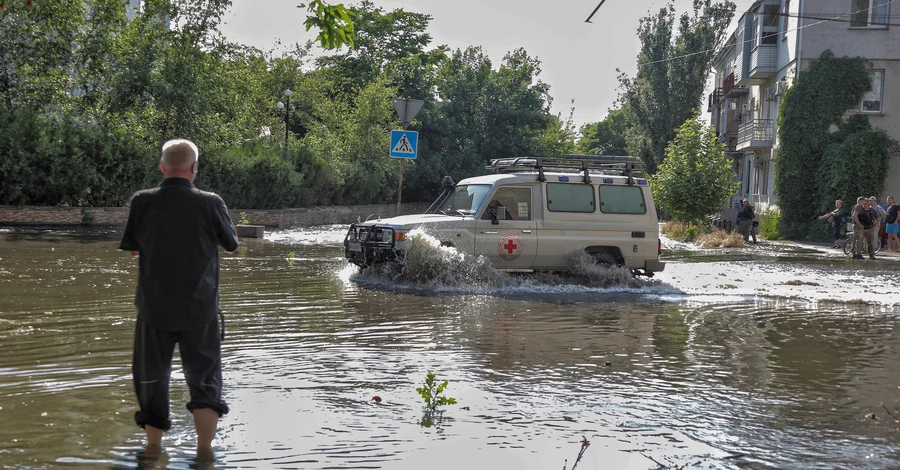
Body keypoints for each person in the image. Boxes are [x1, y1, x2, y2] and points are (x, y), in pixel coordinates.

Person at [119, 139, 239, 459]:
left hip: (153, 309)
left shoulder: (142, 202)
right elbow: (231, 244)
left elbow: (133, 248)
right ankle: (203, 454)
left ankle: (153, 450)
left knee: (151, 379)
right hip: (199, 310)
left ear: (162, 167)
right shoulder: (211, 203)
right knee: (205, 381)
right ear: (194, 168)